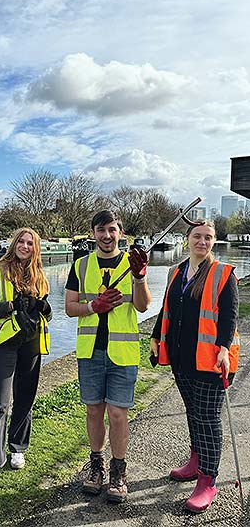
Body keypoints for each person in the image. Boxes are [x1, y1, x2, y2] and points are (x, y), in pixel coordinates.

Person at [150, 220, 239, 513]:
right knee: (193, 412)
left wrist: (225, 350)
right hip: (181, 357)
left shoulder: (223, 274)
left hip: (212, 361)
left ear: (214, 241)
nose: (202, 242)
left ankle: (208, 480)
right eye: (197, 237)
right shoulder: (176, 271)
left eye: (208, 238)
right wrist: (154, 338)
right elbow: (166, 308)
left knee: (207, 417)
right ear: (188, 239)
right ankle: (196, 460)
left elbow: (230, 317)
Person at [65, 210, 151, 502]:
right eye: (100, 230)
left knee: (117, 413)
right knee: (93, 411)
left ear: (121, 233)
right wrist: (94, 307)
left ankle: (118, 471)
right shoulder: (81, 265)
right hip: (91, 351)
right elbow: (70, 307)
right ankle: (96, 467)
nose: (106, 235)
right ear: (92, 233)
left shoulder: (132, 263)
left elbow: (142, 307)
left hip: (122, 352)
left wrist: (139, 278)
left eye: (112, 230)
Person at [0, 227, 52, 483]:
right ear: (14, 243)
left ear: (35, 247)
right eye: (21, 241)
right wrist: (10, 306)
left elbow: (47, 314)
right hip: (4, 343)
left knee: (25, 399)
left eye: (30, 243)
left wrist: (44, 307)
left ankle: (18, 448)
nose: (25, 246)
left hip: (31, 343)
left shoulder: (39, 274)